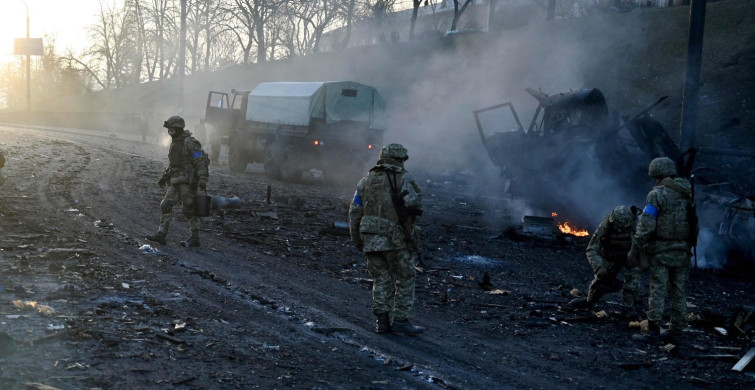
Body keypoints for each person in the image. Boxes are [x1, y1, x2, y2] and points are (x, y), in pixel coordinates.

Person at [348, 143, 424, 335]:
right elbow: (415, 204)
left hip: (370, 238)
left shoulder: (364, 181)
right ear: (399, 160)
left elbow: (354, 212)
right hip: (394, 238)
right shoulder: (404, 178)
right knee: (405, 276)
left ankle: (382, 322)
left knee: (381, 279)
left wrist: (356, 238)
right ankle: (401, 320)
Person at [628, 157, 697, 346]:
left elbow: (647, 224)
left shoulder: (656, 195)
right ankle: (675, 331)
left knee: (657, 290)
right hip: (682, 250)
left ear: (655, 174)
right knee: (678, 291)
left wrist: (635, 247)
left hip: (661, 250)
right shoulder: (687, 192)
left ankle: (654, 330)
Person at [566, 205, 643, 319]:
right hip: (610, 257)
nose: (620, 229)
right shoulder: (604, 227)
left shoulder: (635, 225)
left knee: (634, 277)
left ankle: (628, 308)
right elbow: (592, 249)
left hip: (629, 255)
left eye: (623, 227)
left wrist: (641, 259)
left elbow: (644, 242)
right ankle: (590, 301)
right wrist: (598, 267)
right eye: (618, 226)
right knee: (600, 282)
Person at [146, 116, 209, 247]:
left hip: (187, 181)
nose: (170, 132)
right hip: (175, 180)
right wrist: (165, 176)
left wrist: (203, 178)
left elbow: (199, 161)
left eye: (172, 129)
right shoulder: (175, 143)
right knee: (165, 205)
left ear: (178, 128)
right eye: (169, 129)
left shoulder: (190, 142)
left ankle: (195, 237)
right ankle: (161, 234)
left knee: (189, 209)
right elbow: (174, 164)